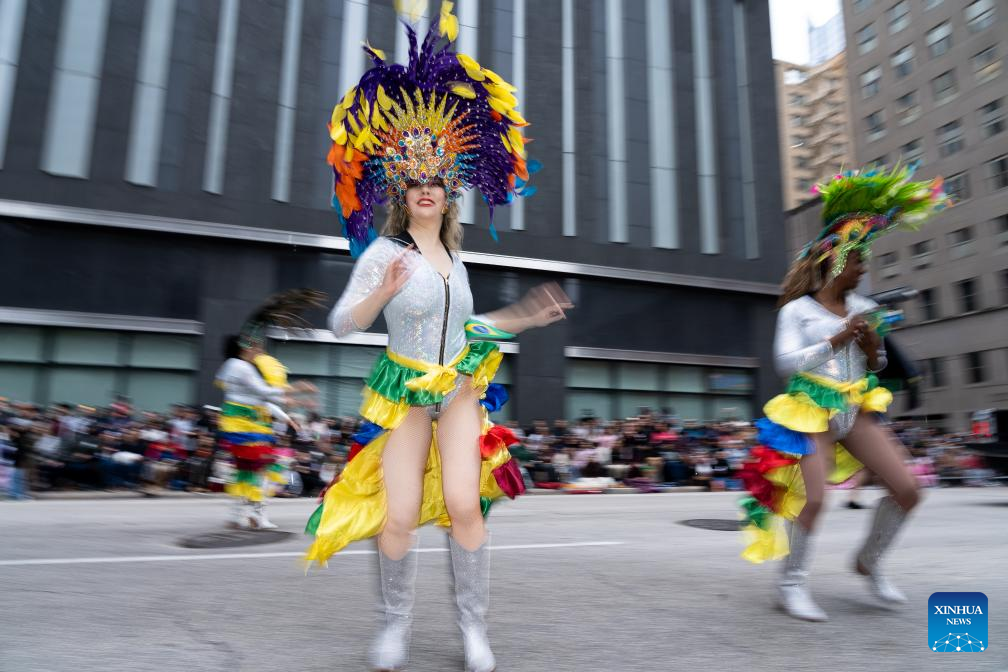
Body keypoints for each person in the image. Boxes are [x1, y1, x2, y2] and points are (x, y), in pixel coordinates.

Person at [304, 8, 571, 671]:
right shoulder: (382, 254)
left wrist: (525, 319)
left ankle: (473, 631)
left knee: (462, 503)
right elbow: (341, 325)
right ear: (401, 185)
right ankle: (392, 627)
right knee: (396, 516)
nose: (426, 188)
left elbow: (470, 326)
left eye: (436, 179)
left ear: (450, 190)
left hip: (458, 386)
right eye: (415, 179)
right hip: (401, 390)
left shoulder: (459, 259)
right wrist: (382, 292)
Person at [739, 164, 949, 621]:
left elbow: (878, 367)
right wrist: (836, 339)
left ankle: (868, 562)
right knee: (812, 499)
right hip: (810, 410)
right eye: (857, 260)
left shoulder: (867, 307)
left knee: (909, 489)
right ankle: (791, 585)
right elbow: (783, 364)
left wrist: (873, 348)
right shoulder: (797, 310)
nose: (863, 267)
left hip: (855, 408)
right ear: (835, 260)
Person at [215, 290, 322, 529]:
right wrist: (298, 390)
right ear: (245, 346)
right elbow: (264, 393)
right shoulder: (240, 367)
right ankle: (256, 514)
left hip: (243, 429)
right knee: (266, 468)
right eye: (255, 345)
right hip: (246, 431)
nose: (259, 349)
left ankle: (238, 514)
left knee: (246, 471)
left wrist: (290, 411)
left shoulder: (234, 366)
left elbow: (261, 401)